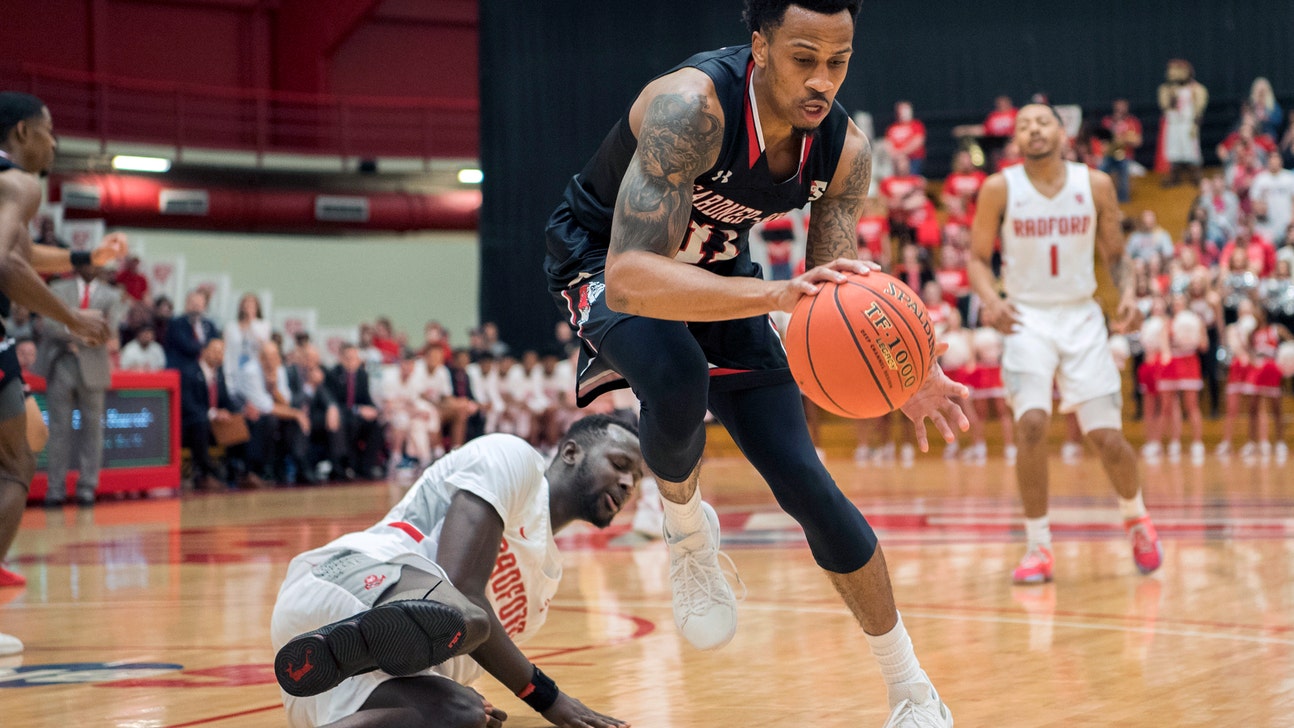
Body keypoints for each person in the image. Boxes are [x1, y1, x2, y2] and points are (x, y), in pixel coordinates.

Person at [542, 3, 965, 725]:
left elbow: (836, 295)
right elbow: (633, 276)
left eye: (839, 61)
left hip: (721, 274)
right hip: (602, 259)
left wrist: (902, 365)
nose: (822, 80)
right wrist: (770, 294)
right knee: (676, 374)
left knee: (805, 478)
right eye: (805, 58)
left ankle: (912, 690)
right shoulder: (690, 109)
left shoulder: (843, 149)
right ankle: (686, 531)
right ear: (760, 46)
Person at [270, 415, 642, 728]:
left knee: (462, 712)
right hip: (346, 580)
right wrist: (548, 698)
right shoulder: (513, 458)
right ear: (571, 452)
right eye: (620, 465)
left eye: (636, 480)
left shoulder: (544, 586)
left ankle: (353, 656)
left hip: (317, 674)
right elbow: (460, 586)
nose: (628, 484)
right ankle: (358, 645)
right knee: (467, 615)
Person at [968, 103, 1164, 585]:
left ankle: (1137, 519)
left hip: (1081, 314)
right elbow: (975, 259)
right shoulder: (999, 188)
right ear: (1015, 139)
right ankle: (1038, 547)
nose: (1034, 130)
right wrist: (992, 299)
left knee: (1107, 438)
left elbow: (1116, 256)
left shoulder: (1094, 184)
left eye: (1043, 122)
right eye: (1024, 126)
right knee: (1031, 424)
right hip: (1027, 317)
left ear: (1063, 130)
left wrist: (1131, 295)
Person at [0, 92, 117, 657]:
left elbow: (22, 247)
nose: (54, 142)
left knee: (31, 437)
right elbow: (5, 261)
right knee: (19, 459)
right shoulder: (21, 183)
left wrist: (81, 261)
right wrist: (72, 317)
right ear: (22, 132)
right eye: (48, 130)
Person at [31, 261, 120, 507]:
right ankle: (55, 489)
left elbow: (109, 329)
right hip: (61, 362)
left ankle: (87, 488)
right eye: (86, 262)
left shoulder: (112, 294)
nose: (91, 267)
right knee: (59, 430)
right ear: (78, 264)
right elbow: (49, 323)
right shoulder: (59, 288)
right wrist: (84, 329)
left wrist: (72, 329)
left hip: (93, 365)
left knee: (93, 430)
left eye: (95, 263)